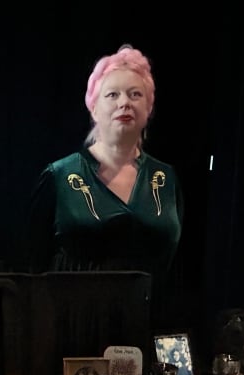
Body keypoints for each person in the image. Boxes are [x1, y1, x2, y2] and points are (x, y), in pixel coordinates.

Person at [25, 44, 184, 325]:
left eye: (135, 94)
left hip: (146, 328)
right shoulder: (59, 176)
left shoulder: (165, 178)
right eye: (113, 94)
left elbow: (176, 269)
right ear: (94, 108)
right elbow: (32, 268)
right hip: (74, 332)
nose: (125, 102)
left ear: (148, 109)